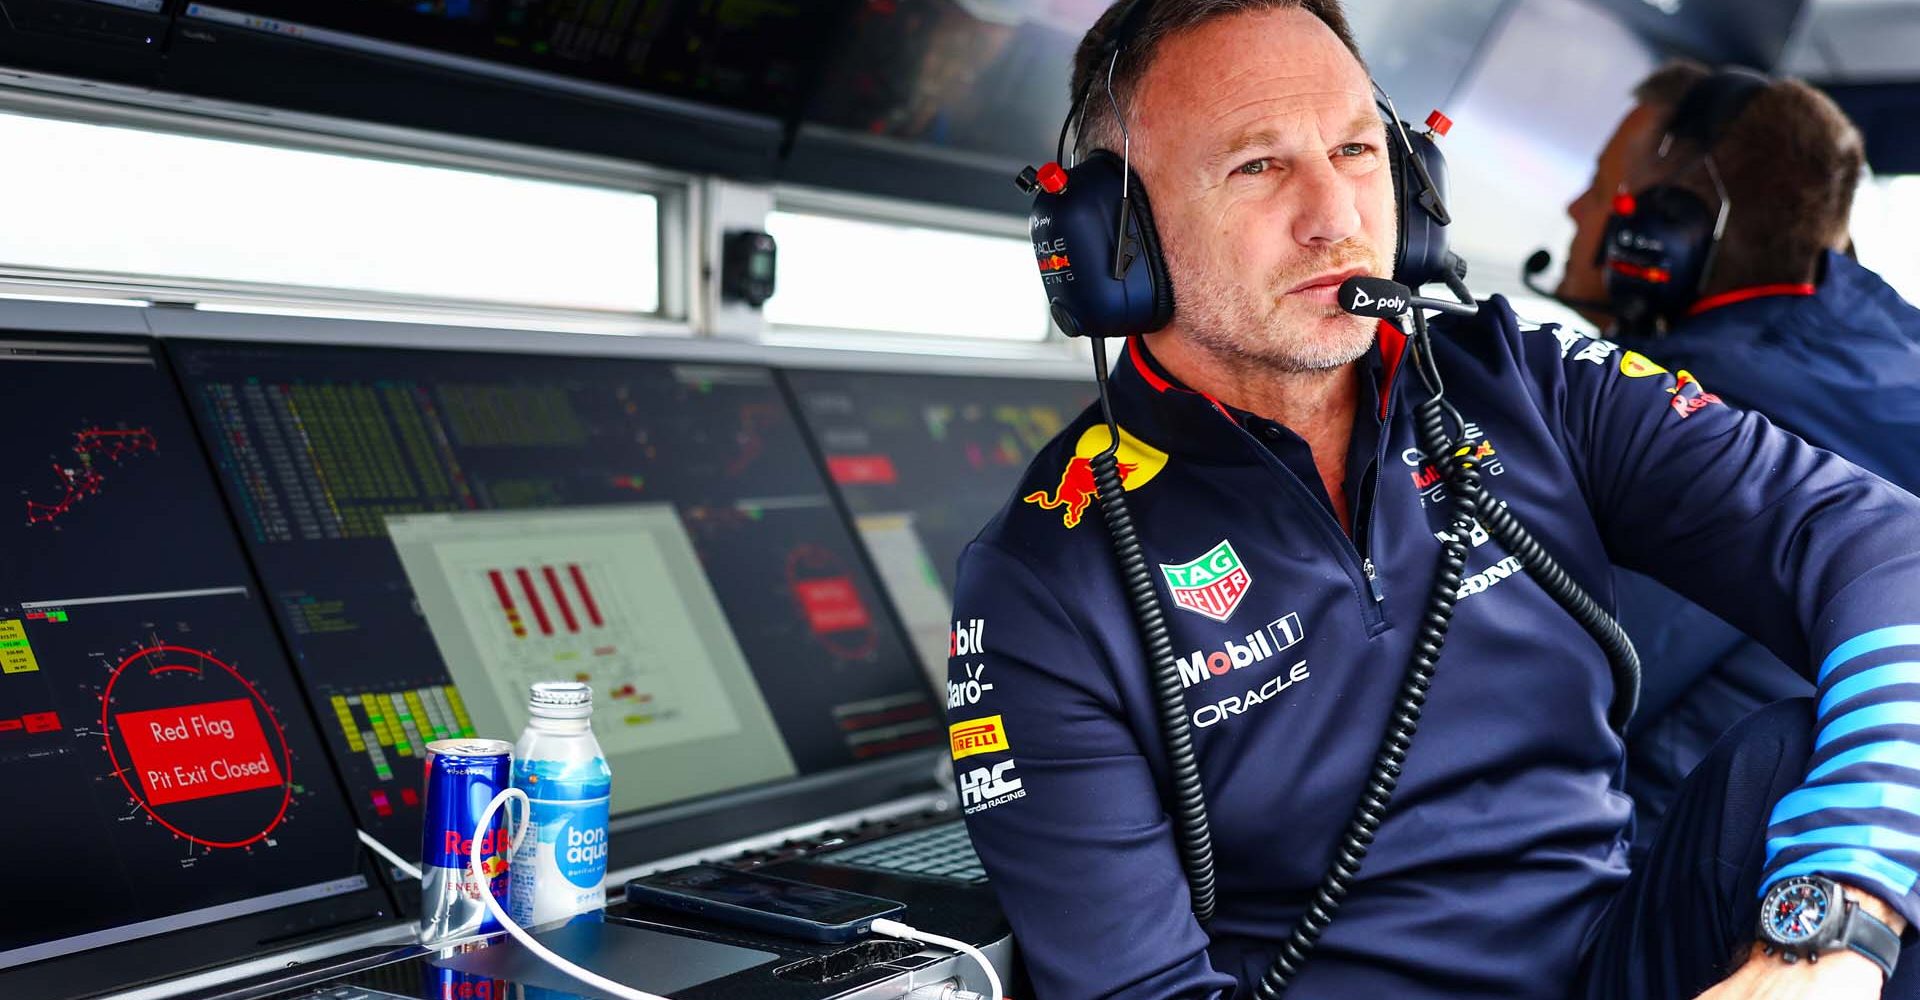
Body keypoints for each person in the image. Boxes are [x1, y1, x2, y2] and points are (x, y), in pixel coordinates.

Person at [946, 2, 1920, 998]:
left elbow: (1881, 547)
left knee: (1820, 750)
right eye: (1258, 165)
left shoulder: (1528, 385)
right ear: (1116, 232)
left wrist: (1834, 924)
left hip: (1628, 965)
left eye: (1359, 150)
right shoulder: (1045, 581)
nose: (1338, 217)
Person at [1558, 61, 1920, 852]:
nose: (1575, 206)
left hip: (1690, 887)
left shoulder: (1689, 413)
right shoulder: (1889, 358)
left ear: (1662, 228)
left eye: (1600, 181)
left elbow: (1554, 696)